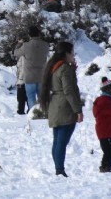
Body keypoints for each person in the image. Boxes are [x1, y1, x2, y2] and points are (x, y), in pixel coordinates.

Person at [39, 41, 83, 177]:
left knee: (57, 141)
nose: (73, 55)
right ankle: (60, 170)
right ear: (66, 53)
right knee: (62, 142)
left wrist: (72, 71)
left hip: (54, 106)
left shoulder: (53, 66)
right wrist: (77, 110)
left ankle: (58, 168)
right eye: (72, 52)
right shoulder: (64, 68)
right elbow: (69, 90)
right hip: (65, 107)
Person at [13, 25, 49, 111]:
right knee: (41, 97)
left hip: (29, 76)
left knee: (31, 96)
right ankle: (43, 111)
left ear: (29, 35)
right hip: (42, 75)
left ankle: (34, 113)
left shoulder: (26, 46)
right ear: (39, 34)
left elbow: (16, 53)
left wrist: (19, 43)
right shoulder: (45, 45)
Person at [93, 77, 111, 173]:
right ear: (110, 92)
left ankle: (105, 167)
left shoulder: (107, 100)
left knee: (108, 150)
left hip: (107, 131)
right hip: (105, 131)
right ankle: (105, 168)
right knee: (110, 151)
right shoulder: (104, 101)